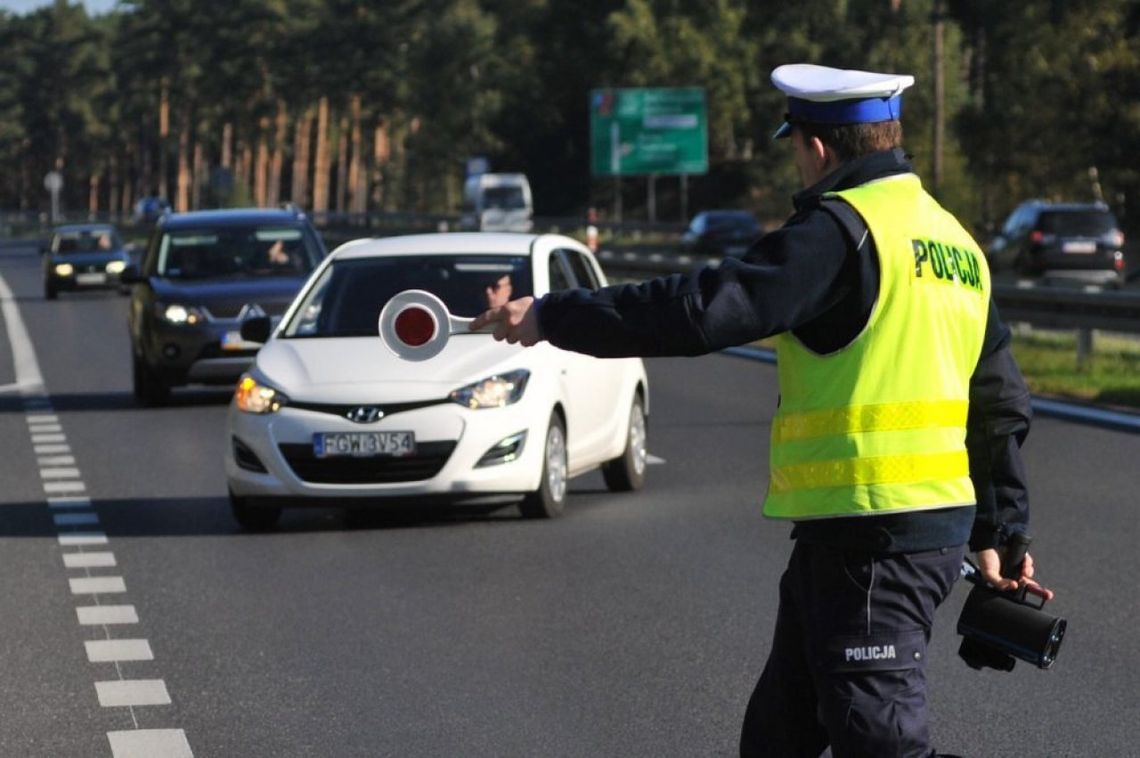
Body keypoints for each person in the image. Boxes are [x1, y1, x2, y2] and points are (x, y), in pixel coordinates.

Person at [471, 63, 1052, 757]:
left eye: (794, 149)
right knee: (779, 738)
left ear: (816, 147)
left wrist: (550, 316)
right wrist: (1001, 532)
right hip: (869, 536)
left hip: (874, 536)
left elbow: (700, 311)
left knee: (881, 742)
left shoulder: (842, 233)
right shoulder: (955, 244)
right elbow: (999, 405)